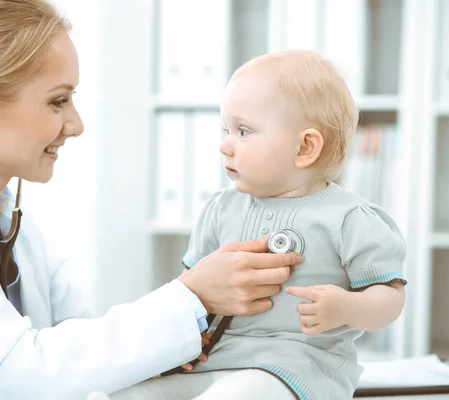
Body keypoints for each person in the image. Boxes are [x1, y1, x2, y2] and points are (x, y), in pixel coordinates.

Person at [0, 1, 304, 399]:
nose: (76, 125)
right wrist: (191, 296)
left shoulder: (15, 230)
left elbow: (80, 350)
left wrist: (161, 356)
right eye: (58, 101)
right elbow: (12, 372)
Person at [109, 51, 408, 400]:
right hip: (216, 359)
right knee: (128, 393)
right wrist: (183, 339)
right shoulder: (221, 209)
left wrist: (347, 308)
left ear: (305, 147)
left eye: (244, 131)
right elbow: (192, 291)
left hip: (297, 368)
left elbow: (391, 297)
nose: (225, 145)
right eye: (227, 130)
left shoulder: (350, 220)